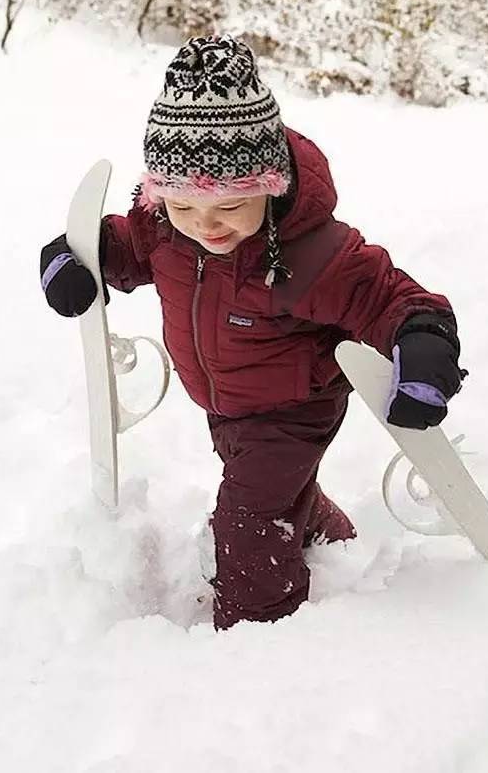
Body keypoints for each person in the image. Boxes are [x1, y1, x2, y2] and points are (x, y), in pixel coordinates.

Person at [40, 34, 465, 630]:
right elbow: (119, 246)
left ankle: (256, 635)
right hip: (227, 402)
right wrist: (71, 259)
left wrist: (423, 340)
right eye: (182, 207)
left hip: (295, 408)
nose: (204, 226)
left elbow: (389, 295)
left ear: (269, 186)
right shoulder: (163, 227)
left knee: (247, 525)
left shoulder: (311, 252)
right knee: (270, 494)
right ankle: (324, 530)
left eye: (229, 207)